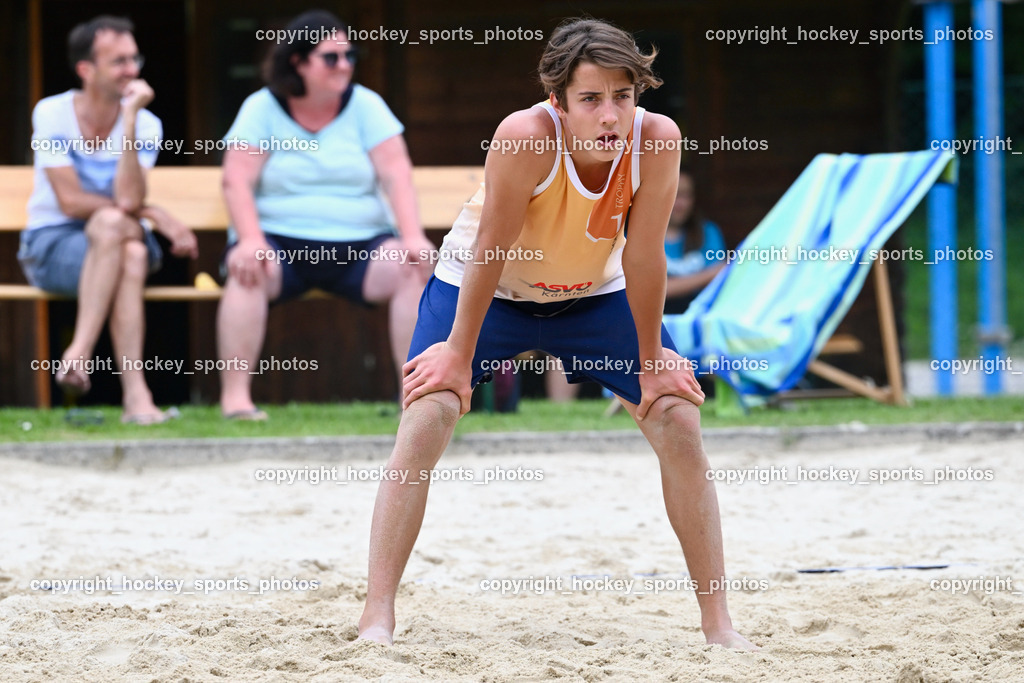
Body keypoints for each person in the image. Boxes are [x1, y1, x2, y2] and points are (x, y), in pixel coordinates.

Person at [357, 18, 757, 650]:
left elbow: (645, 255)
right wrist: (458, 355)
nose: (610, 115)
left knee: (678, 418)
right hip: (488, 290)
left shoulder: (657, 139)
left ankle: (719, 625)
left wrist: (652, 360)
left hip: (593, 294)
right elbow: (491, 248)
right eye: (591, 99)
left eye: (622, 96)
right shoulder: (525, 136)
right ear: (559, 102)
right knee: (428, 413)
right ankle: (376, 617)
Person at [217, 10, 431, 420]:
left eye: (350, 55)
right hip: (278, 243)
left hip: (360, 245)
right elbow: (236, 180)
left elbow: (397, 175)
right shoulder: (261, 107)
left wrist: (412, 237)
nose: (345, 64)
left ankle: (415, 400)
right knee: (247, 269)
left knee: (413, 267)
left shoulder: (367, 105)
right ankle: (236, 401)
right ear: (298, 61)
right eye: (331, 57)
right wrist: (249, 240)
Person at [17, 15, 197, 424]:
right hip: (52, 246)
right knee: (125, 244)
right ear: (86, 69)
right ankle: (136, 396)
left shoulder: (146, 124)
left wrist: (129, 120)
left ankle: (79, 353)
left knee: (119, 237)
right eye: (119, 61)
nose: (132, 70)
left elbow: (129, 197)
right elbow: (69, 202)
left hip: (116, 234)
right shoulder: (52, 113)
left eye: (134, 59)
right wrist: (153, 214)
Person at [663, 168, 726, 314]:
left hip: (698, 319)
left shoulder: (708, 232)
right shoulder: (636, 236)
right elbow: (643, 291)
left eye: (685, 195)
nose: (679, 204)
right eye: (673, 193)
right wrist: (709, 274)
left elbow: (718, 285)